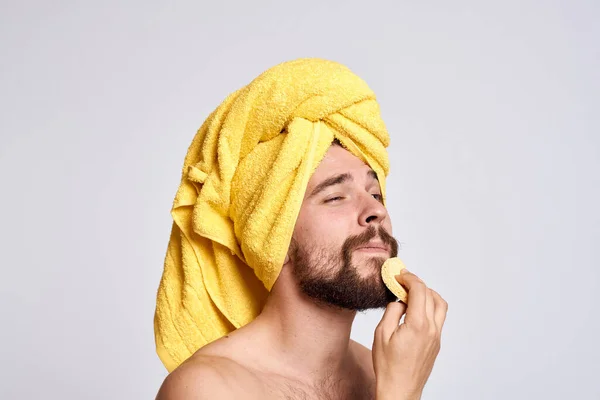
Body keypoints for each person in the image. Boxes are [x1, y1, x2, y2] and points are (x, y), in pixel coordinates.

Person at [154, 59, 448, 400]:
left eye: (375, 193)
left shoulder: (382, 370)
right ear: (273, 237)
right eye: (336, 197)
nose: (376, 211)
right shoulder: (209, 388)